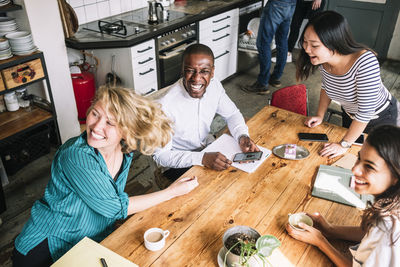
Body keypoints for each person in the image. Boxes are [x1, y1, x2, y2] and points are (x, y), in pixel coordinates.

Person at [12, 86, 199, 266]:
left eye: (110, 122)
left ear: (126, 131)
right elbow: (115, 207)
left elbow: (110, 202)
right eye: (95, 113)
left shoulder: (125, 151)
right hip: (46, 247)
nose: (96, 126)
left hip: (86, 242)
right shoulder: (76, 156)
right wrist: (171, 191)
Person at [286, 125, 400, 266]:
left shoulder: (387, 229)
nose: (355, 169)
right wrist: (330, 230)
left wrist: (320, 241)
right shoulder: (391, 202)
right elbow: (369, 232)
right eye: (359, 158)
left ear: (396, 176)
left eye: (369, 167)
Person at [298, 10, 399, 158]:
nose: (307, 49)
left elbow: (365, 112)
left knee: (375, 161)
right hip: (352, 116)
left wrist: (343, 144)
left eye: (314, 45)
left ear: (334, 43)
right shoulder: (324, 62)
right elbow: (326, 88)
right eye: (305, 43)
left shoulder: (365, 63)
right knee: (349, 159)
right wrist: (320, 115)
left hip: (381, 118)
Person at [153, 43, 258, 182]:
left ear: (212, 71)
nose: (196, 79)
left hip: (207, 148)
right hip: (177, 162)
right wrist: (202, 158)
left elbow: (232, 114)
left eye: (204, 71)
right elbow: (162, 156)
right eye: (190, 70)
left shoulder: (214, 86)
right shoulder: (164, 105)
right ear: (182, 70)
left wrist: (242, 135)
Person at [241, 0, 297, 94]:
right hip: (291, 4)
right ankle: (276, 78)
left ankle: (262, 84)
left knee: (264, 43)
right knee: (282, 41)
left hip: (277, 4)